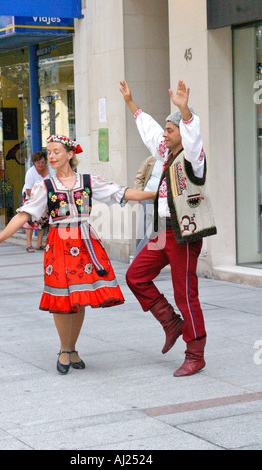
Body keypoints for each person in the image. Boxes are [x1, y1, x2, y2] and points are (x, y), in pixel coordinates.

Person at [0, 135, 156, 375]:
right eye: (49, 152)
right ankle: (64, 348)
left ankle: (72, 348)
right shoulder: (45, 186)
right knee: (62, 298)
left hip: (84, 241)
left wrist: (157, 196)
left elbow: (122, 193)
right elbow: (24, 215)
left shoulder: (88, 181)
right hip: (59, 244)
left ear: (70, 155)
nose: (51, 156)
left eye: (56, 152)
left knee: (80, 297)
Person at [120, 79, 217, 377]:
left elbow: (193, 136)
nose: (165, 134)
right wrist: (131, 104)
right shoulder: (166, 153)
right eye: (167, 129)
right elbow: (150, 131)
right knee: (136, 276)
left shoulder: (192, 158)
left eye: (171, 130)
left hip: (184, 235)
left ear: (181, 134)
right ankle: (171, 323)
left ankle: (195, 352)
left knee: (185, 293)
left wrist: (185, 111)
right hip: (162, 233)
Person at [22, 151, 55, 252]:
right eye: (38, 163)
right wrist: (38, 198)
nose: (40, 165)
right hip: (30, 197)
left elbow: (54, 185)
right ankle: (28, 243)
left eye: (42, 162)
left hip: (45, 198)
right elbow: (28, 190)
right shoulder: (30, 172)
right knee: (29, 220)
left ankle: (39, 243)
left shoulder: (51, 171)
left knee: (43, 220)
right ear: (34, 163)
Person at [134, 155, 163, 256]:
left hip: (162, 201)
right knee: (143, 230)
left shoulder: (172, 159)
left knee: (152, 230)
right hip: (147, 198)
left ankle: (140, 257)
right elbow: (139, 177)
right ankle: (138, 256)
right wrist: (140, 195)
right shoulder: (151, 159)